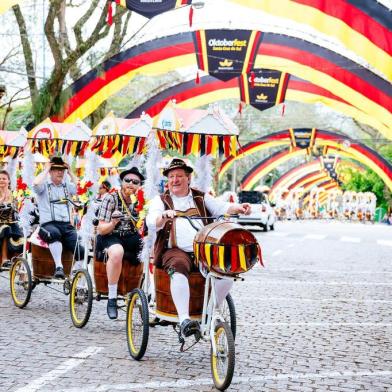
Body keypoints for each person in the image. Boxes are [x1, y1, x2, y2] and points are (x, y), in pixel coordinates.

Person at [146, 158, 251, 338]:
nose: (175, 180)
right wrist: (163, 216)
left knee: (227, 272)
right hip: (174, 251)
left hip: (202, 250)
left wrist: (239, 208)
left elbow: (221, 207)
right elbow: (151, 221)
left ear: (188, 178)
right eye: (171, 176)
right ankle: (185, 320)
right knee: (178, 266)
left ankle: (210, 311)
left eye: (179, 176)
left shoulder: (200, 197)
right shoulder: (161, 200)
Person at [96, 167, 144, 319]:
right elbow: (101, 228)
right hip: (110, 235)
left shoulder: (141, 201)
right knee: (117, 252)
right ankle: (112, 298)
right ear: (122, 182)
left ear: (139, 185)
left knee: (151, 250)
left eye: (135, 182)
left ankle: (146, 294)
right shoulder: (110, 198)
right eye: (127, 180)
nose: (131, 183)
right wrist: (113, 223)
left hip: (131, 236)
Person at [33, 156, 84, 279]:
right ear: (50, 171)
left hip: (66, 225)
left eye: (62, 169)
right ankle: (59, 267)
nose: (60, 172)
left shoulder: (67, 185)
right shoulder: (44, 185)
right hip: (48, 225)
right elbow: (35, 183)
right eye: (56, 169)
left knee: (81, 248)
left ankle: (74, 274)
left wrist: (70, 171)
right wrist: (46, 169)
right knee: (54, 234)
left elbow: (81, 188)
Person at [0, 170, 23, 265]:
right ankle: (4, 259)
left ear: (8, 181)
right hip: (1, 223)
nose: (1, 180)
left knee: (22, 237)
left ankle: (19, 264)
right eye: (0, 179)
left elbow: (17, 210)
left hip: (12, 222)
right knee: (6, 229)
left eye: (4, 179)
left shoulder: (14, 193)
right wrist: (1, 200)